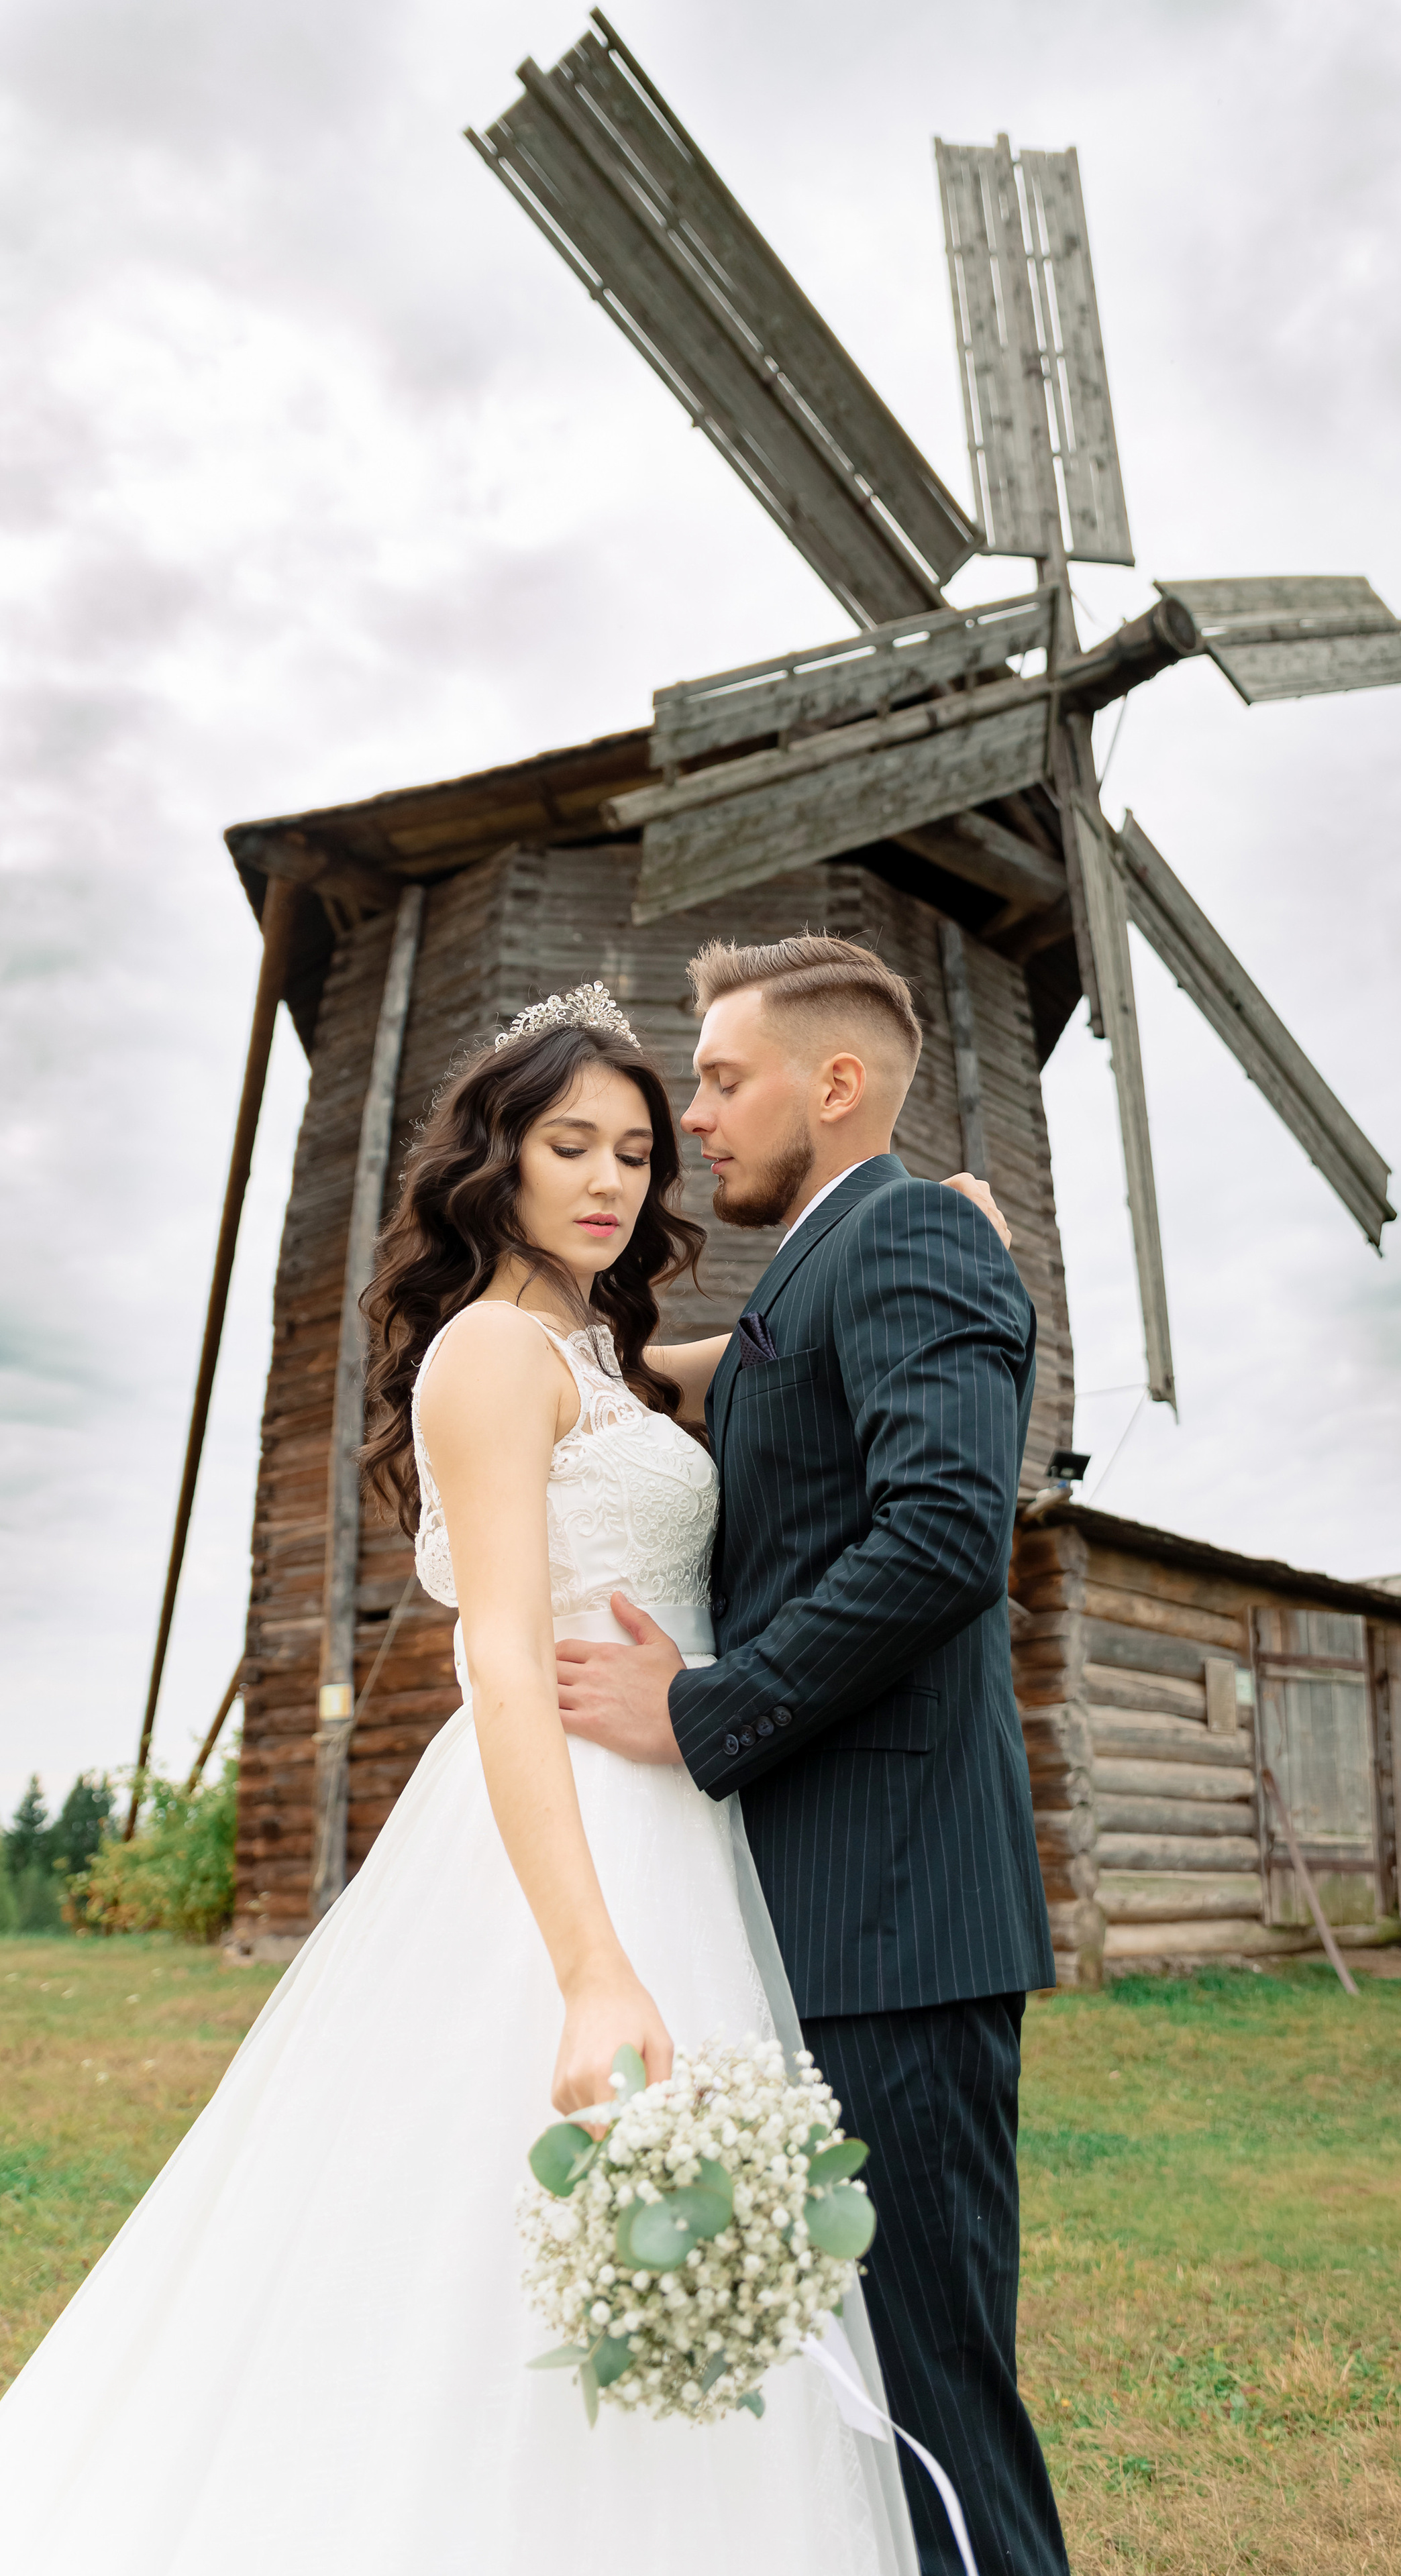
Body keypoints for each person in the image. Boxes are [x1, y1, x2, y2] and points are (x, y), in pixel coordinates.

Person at [0, 979, 1001, 2574]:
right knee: (501, 2250)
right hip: (574, 1829)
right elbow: (500, 1663)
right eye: (567, 1145)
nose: (610, 1180)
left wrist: (918, 1230)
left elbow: (738, 1362)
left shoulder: (589, 1354)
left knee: (693, 2243)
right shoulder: (482, 1353)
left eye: (633, 1151)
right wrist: (592, 1964)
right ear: (500, 1162)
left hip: (687, 1812)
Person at [557, 936, 1070, 2576]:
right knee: (840, 2391)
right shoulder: (823, 1271)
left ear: (831, 1083)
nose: (690, 1118)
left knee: (925, 2391)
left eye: (716, 1079)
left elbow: (938, 1540)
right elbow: (721, 1390)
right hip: (813, 1911)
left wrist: (704, 1710)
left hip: (898, 1916)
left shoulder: (906, 1235)